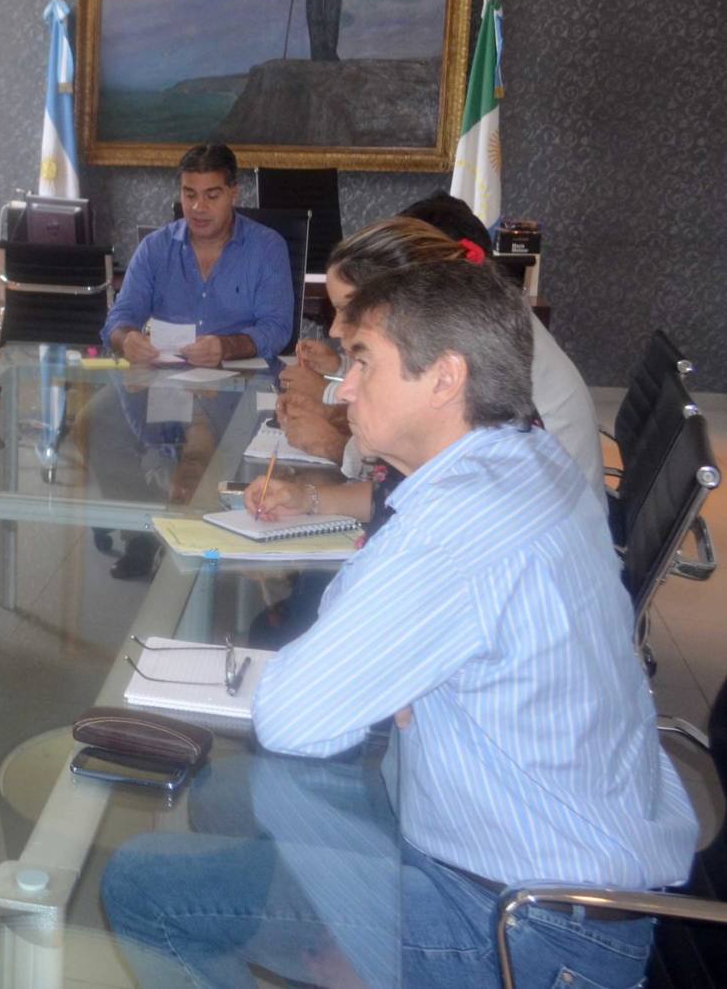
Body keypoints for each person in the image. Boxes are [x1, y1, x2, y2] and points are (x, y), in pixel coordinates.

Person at [108, 259, 697, 986]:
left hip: (523, 928)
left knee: (141, 884)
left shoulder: (460, 523)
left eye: (361, 362)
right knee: (226, 792)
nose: (341, 385)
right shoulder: (527, 459)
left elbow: (294, 715)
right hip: (565, 867)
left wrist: (382, 664)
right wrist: (398, 674)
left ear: (445, 378)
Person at [284, 194, 606, 505]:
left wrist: (333, 436)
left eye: (349, 308)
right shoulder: (485, 324)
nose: (335, 328)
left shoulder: (469, 353)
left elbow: (405, 481)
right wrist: (339, 383)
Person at [102, 142, 294, 367]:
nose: (198, 207)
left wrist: (226, 347)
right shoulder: (154, 248)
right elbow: (118, 319)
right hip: (165, 381)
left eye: (211, 196)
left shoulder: (267, 248)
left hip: (241, 380)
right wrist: (126, 339)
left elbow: (277, 329)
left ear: (233, 194)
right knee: (95, 403)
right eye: (189, 195)